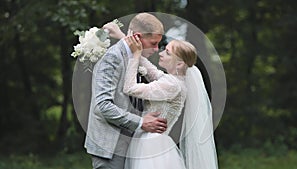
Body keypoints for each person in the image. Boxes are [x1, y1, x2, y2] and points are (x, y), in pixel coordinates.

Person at [122, 34, 219, 169]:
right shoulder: (174, 81)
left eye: (167, 53)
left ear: (179, 64)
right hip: (152, 142)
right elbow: (152, 72)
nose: (161, 54)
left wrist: (136, 57)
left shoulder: (172, 85)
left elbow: (130, 88)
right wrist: (126, 40)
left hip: (152, 145)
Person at [84, 13, 168, 169]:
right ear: (137, 37)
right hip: (110, 147)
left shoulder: (135, 57)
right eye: (153, 43)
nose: (156, 49)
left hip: (130, 145)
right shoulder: (112, 58)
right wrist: (142, 122)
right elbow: (103, 106)